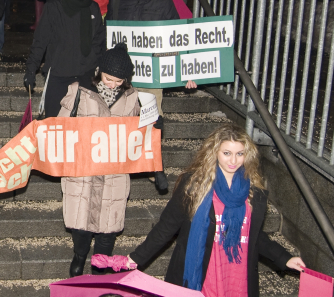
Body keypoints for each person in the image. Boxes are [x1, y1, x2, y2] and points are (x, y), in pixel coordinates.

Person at [126, 124, 305, 297]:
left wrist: (284, 258)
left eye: (239, 154)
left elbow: (253, 235)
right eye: (226, 153)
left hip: (238, 274)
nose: (233, 160)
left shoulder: (254, 191)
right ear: (215, 152)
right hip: (204, 272)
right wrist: (136, 258)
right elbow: (166, 227)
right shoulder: (194, 185)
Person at [106, 0, 196, 192]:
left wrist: (186, 71)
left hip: (151, 74)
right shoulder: (118, 0)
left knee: (153, 118)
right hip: (122, 74)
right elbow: (108, 33)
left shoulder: (163, 3)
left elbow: (178, 38)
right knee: (121, 119)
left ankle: (156, 165)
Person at [58, 43, 140, 277]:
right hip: (83, 170)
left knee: (108, 229)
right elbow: (61, 125)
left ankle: (100, 270)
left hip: (114, 172)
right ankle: (79, 257)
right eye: (108, 78)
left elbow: (137, 132)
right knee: (81, 226)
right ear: (98, 71)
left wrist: (152, 126)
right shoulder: (79, 91)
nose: (113, 84)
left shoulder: (132, 97)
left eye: (118, 80)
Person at [24, 0, 105, 117]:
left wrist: (95, 64)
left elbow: (99, 40)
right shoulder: (54, 7)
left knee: (85, 124)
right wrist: (31, 69)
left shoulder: (92, 8)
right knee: (55, 123)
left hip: (85, 74)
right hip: (59, 73)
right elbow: (41, 40)